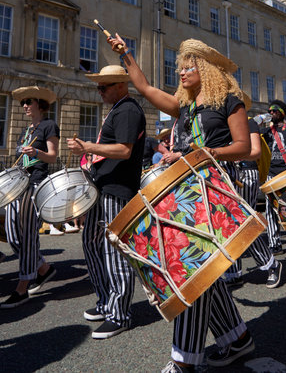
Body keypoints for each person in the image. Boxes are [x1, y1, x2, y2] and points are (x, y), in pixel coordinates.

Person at [109, 34, 255, 371]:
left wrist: (203, 153)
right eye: (180, 68)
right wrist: (125, 54)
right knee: (204, 272)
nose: (181, 73)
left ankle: (184, 361)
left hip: (215, 192)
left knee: (192, 271)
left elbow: (244, 146)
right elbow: (145, 88)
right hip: (185, 192)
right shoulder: (185, 106)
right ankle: (239, 339)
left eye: (188, 67)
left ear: (204, 68)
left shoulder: (230, 101)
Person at [67, 65, 146, 339]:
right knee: (90, 242)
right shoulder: (117, 109)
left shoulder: (128, 109)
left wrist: (88, 147)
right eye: (99, 87)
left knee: (114, 251)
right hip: (103, 186)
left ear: (121, 86)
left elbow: (124, 150)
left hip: (118, 189)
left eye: (105, 86)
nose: (100, 91)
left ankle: (120, 314)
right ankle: (106, 301)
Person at [0, 86, 59, 308]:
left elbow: (52, 157)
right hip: (18, 185)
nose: (25, 105)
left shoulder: (48, 125)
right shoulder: (26, 131)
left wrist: (36, 153)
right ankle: (44, 269)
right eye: (23, 101)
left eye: (29, 101)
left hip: (35, 184)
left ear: (40, 104)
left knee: (26, 238)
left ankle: (23, 286)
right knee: (13, 236)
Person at [225, 113, 282, 288]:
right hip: (227, 173)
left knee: (243, 222)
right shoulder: (221, 124)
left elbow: (255, 152)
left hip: (245, 172)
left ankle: (271, 264)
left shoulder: (248, 122)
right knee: (229, 224)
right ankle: (234, 271)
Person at [262, 100, 286, 256]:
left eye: (274, 110)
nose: (271, 113)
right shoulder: (266, 132)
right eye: (270, 111)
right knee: (270, 210)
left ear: (282, 112)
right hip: (271, 175)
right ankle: (274, 244)